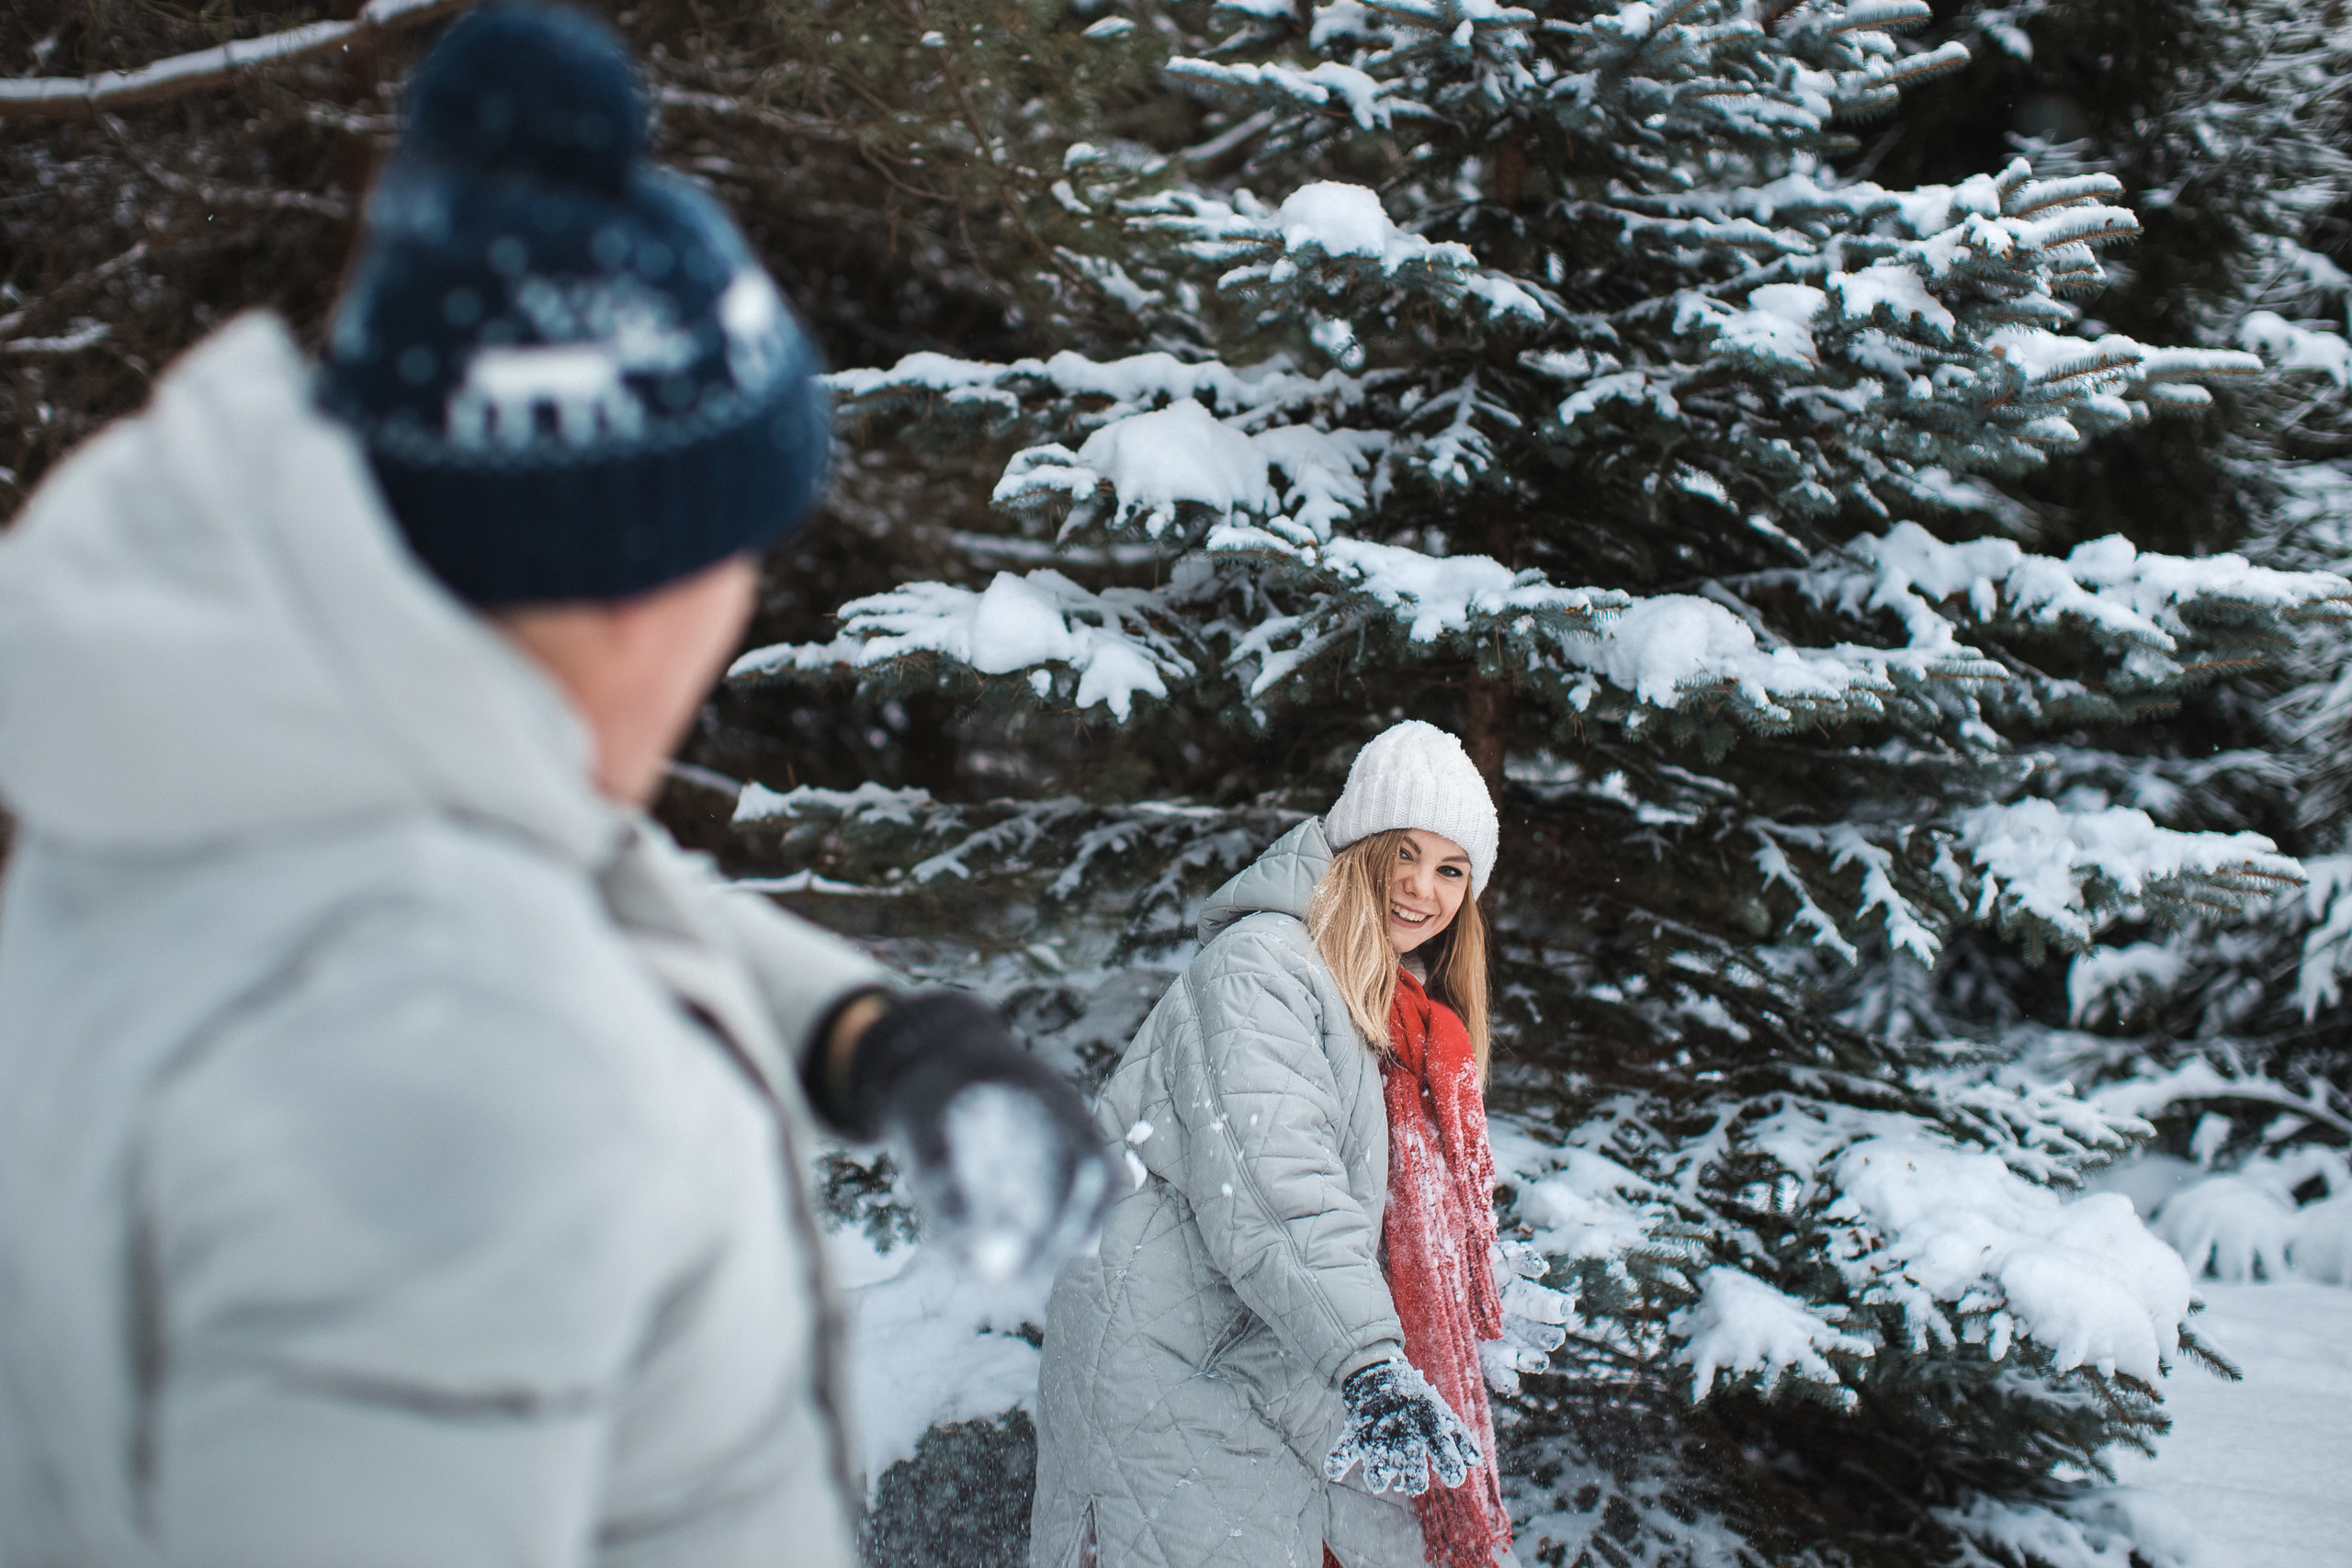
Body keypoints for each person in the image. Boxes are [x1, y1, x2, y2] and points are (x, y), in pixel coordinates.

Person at [0, 7, 1105, 1566]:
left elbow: (547, 887)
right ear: (632, 591)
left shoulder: (219, 768)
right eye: (744, 558)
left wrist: (869, 1037)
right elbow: (469, 1009)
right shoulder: (458, 1067)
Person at [1031, 720, 1566, 1568]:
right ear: (1357, 846)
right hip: (1177, 1353)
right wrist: (1371, 1361)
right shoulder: (1263, 967)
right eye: (1404, 853)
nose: (1423, 889)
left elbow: (1373, 1196)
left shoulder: (1394, 1005)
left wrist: (1471, 1298)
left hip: (1269, 1348)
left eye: (1451, 868)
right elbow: (1276, 1184)